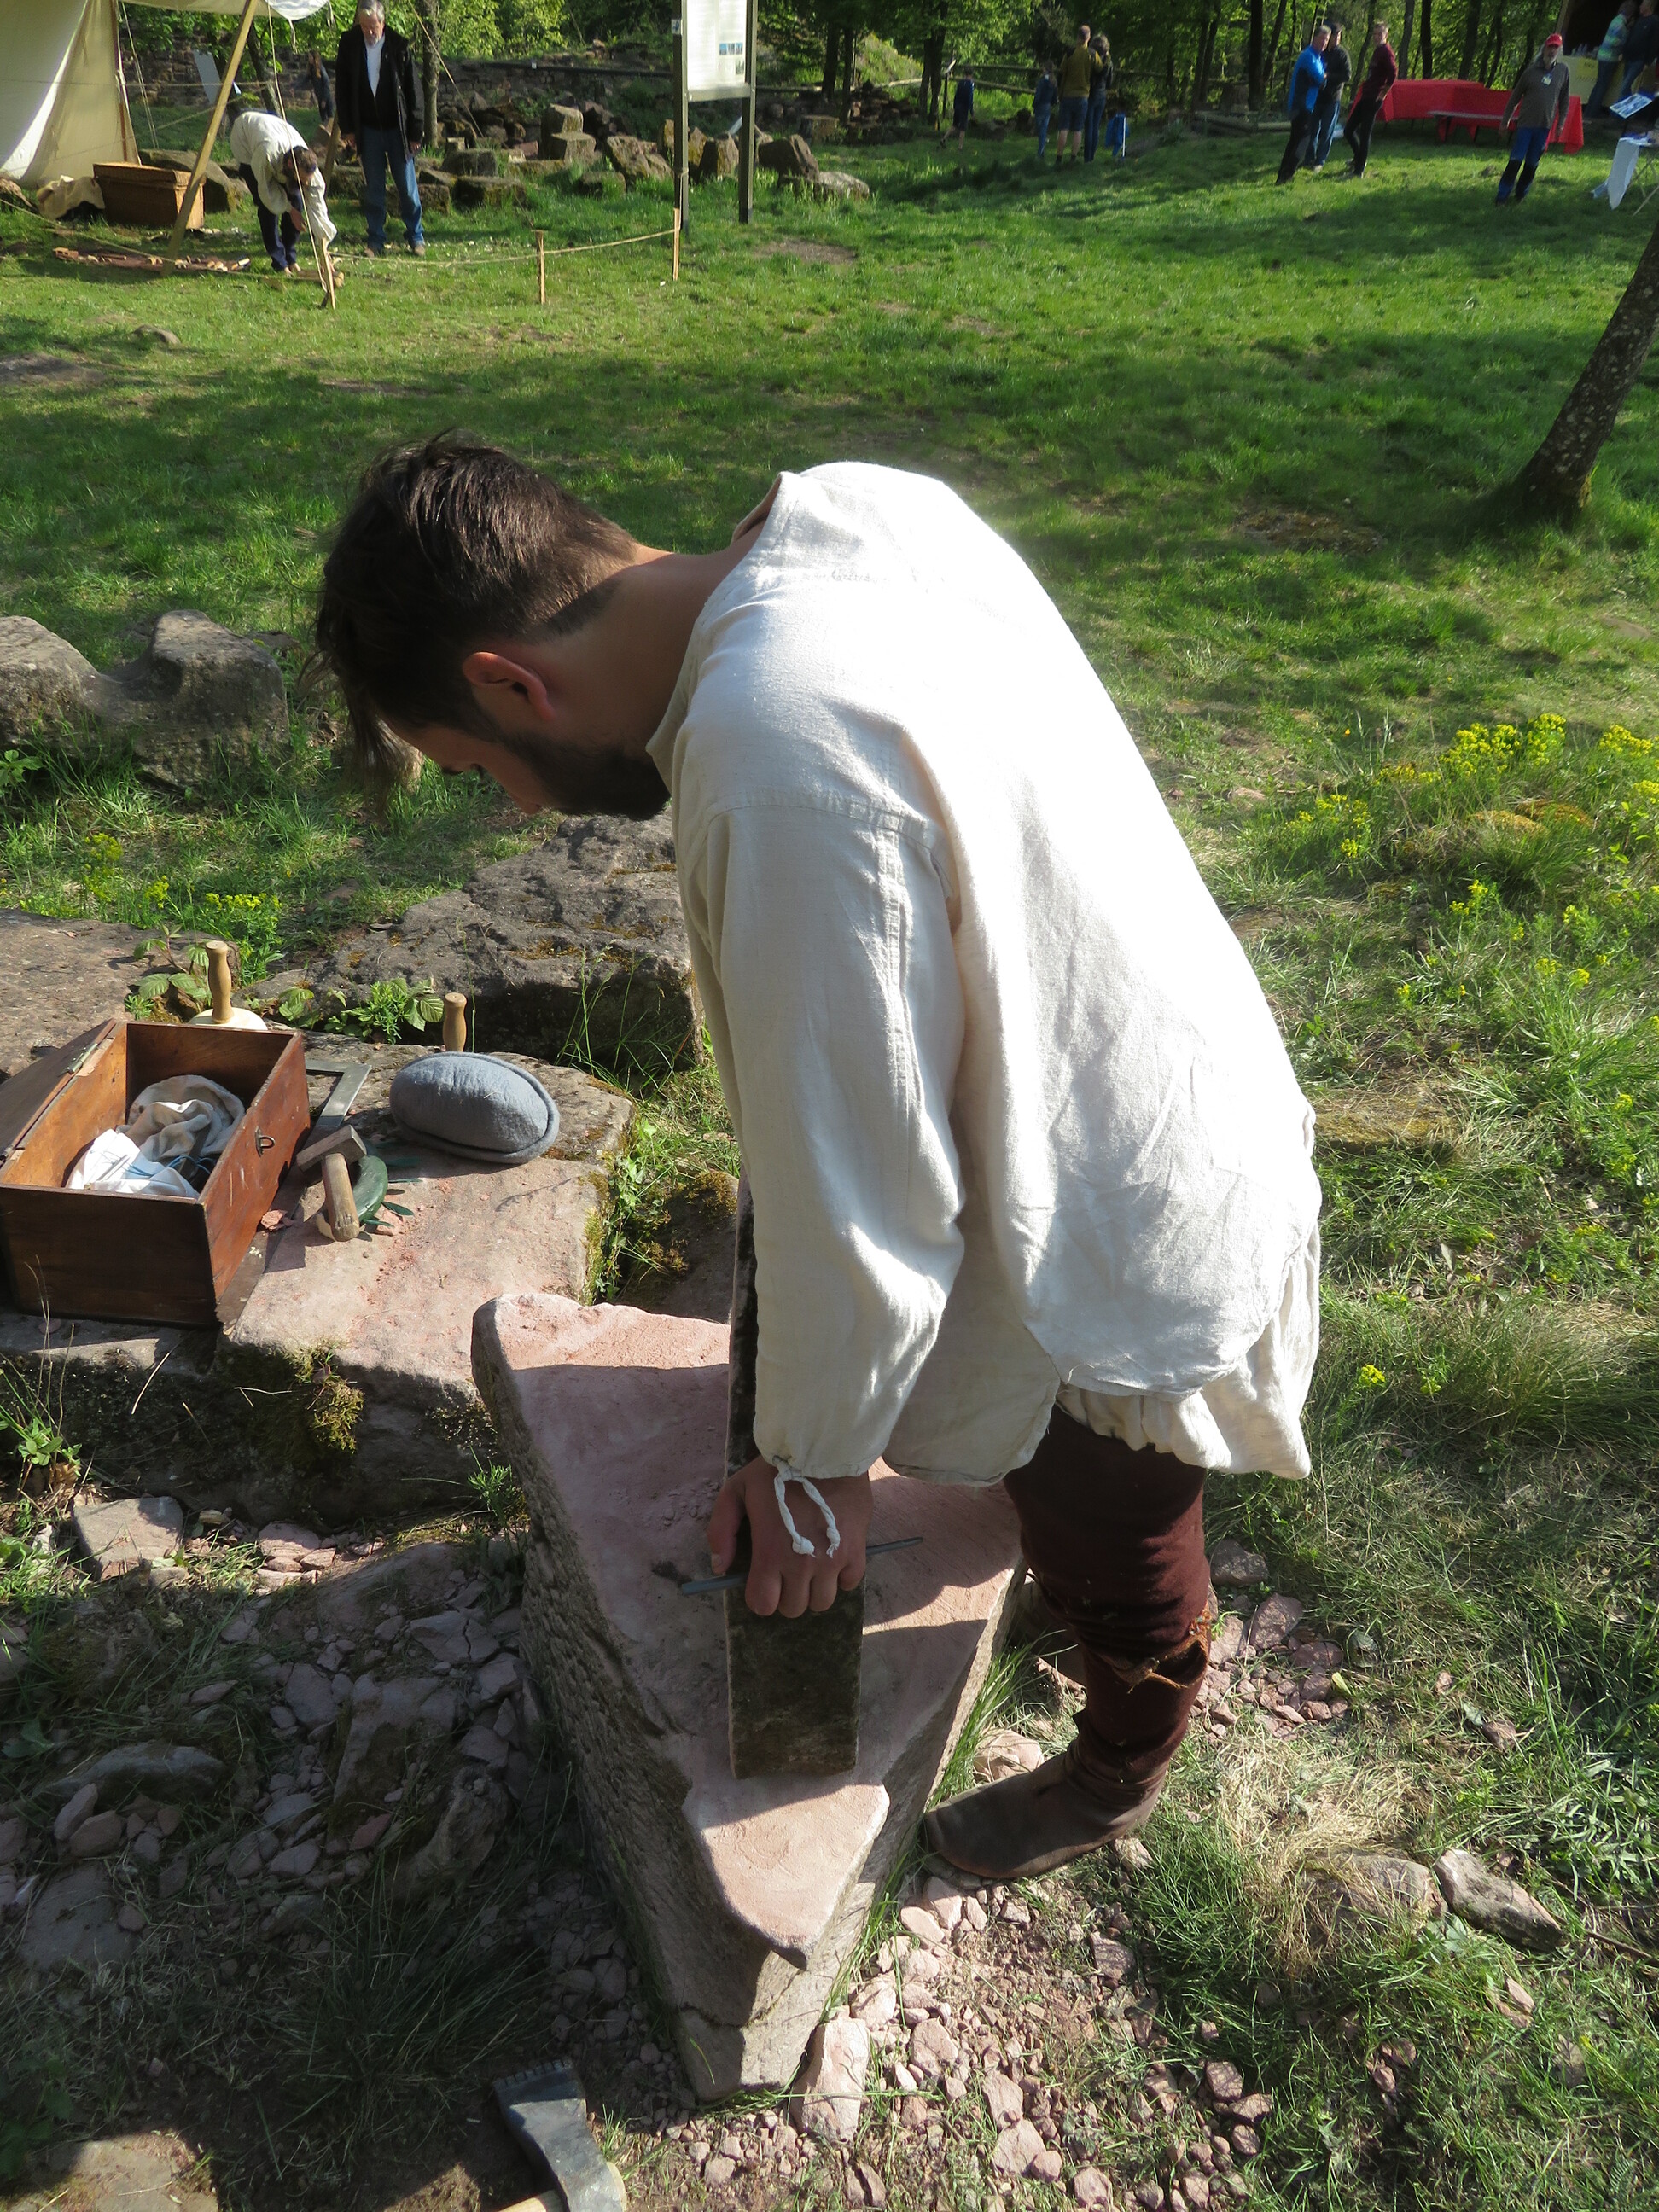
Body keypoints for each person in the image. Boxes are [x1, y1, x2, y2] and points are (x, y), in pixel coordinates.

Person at [311, 439, 1323, 1882]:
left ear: (510, 684)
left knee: (1118, 1514)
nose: (517, 808)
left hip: (1110, 1191)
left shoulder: (772, 757)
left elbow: (859, 1179)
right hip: (1134, 1047)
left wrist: (812, 1469)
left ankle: (1118, 1764)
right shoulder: (864, 510)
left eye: (480, 770)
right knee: (1053, 1477)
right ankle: (1058, 1572)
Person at [335, 0, 425, 258]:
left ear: (382, 23)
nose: (369, 32)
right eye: (364, 27)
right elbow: (342, 88)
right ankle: (375, 239)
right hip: (368, 129)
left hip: (398, 129)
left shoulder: (399, 46)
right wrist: (348, 128)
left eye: (373, 27)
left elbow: (414, 92)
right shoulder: (350, 44)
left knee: (407, 188)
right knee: (374, 189)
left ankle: (416, 236)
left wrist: (416, 131)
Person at [228, 106, 336, 276]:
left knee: (297, 201)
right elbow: (266, 193)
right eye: (302, 178)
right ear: (291, 165)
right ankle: (279, 262)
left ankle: (291, 259)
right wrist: (289, 209)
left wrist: (324, 247)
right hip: (246, 142)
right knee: (268, 210)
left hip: (273, 132)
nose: (306, 183)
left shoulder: (307, 165)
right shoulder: (266, 154)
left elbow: (318, 206)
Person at [1497, 31, 1573, 202]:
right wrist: (1505, 121)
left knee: (1532, 164)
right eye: (1550, 47)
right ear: (1544, 48)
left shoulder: (1563, 71)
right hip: (1526, 124)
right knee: (1516, 160)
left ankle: (1521, 195)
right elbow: (1514, 98)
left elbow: (1564, 100)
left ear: (1560, 50)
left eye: (1556, 48)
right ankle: (1502, 196)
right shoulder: (1530, 72)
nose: (1552, 51)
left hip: (1545, 126)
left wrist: (1561, 123)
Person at [1343, 20, 1397, 175]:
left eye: (1380, 34)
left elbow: (1393, 73)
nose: (1376, 37)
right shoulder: (1377, 51)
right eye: (1375, 34)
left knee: (1365, 134)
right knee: (1349, 129)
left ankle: (1359, 170)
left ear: (1386, 35)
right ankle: (1358, 158)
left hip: (1374, 98)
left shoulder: (1386, 52)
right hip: (1366, 95)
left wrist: (1383, 93)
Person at [1277, 25, 1330, 181]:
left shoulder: (1318, 58)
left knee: (1296, 140)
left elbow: (1322, 81)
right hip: (1300, 105)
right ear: (1314, 38)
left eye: (1326, 40)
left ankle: (1284, 175)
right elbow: (1320, 78)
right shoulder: (1308, 56)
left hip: (1307, 106)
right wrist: (1323, 77)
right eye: (1322, 39)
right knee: (1303, 140)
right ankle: (1287, 174)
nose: (1324, 43)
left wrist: (1322, 78)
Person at [1309, 19, 1351, 168]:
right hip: (1317, 97)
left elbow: (1347, 76)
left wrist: (1329, 76)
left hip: (1333, 98)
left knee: (1327, 131)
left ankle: (1320, 161)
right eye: (1335, 36)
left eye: (1339, 36)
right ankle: (1309, 158)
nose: (1337, 39)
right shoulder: (1321, 52)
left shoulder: (1342, 54)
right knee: (1313, 129)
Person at [1055, 26, 1095, 160]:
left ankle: (1059, 157)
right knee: (1078, 130)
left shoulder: (1070, 53)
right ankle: (1073, 158)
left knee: (1064, 128)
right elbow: (1100, 68)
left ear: (1077, 37)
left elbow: (1062, 71)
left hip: (1068, 95)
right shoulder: (1092, 54)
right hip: (1083, 96)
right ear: (1089, 38)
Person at [1588, 1, 1637, 113]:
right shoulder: (1620, 25)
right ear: (1630, 14)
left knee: (1598, 84)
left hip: (1603, 55)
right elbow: (1613, 41)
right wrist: (1625, 40)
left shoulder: (1616, 20)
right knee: (1602, 86)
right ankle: (1593, 111)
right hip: (1609, 58)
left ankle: (1590, 110)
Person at [1618, 0, 1659, 99]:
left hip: (1639, 59)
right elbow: (1630, 37)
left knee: (1625, 85)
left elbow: (1654, 44)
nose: (1640, 7)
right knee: (1625, 85)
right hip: (1629, 57)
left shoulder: (1654, 22)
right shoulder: (1639, 20)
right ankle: (1626, 105)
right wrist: (1623, 52)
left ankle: (1621, 106)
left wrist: (1648, 62)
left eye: (1642, 5)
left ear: (1648, 6)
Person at [1084, 37, 1115, 161]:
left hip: (1091, 94)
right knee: (1096, 126)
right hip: (1102, 95)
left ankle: (1087, 156)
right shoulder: (1109, 62)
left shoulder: (1092, 60)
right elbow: (1110, 82)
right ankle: (1092, 155)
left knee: (1089, 126)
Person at [302, 48, 335, 128]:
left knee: (330, 120)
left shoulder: (321, 69)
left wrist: (324, 99)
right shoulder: (312, 70)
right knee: (324, 120)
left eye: (310, 57)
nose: (309, 59)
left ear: (314, 58)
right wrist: (294, 87)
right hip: (320, 98)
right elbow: (304, 80)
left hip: (326, 98)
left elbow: (326, 84)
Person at [1033, 64, 1058, 157]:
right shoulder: (1053, 82)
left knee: (1040, 130)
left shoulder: (1042, 82)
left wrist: (1034, 105)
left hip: (1040, 106)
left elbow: (1038, 95)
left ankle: (1040, 151)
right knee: (1043, 129)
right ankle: (1042, 150)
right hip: (1047, 107)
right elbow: (1054, 98)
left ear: (1046, 70)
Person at [950, 67, 975, 147]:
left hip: (957, 107)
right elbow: (970, 98)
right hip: (964, 108)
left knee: (954, 125)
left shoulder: (961, 83)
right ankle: (960, 146)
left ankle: (944, 138)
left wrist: (955, 106)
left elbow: (956, 95)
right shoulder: (970, 84)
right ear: (971, 74)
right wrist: (971, 111)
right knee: (963, 129)